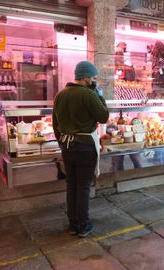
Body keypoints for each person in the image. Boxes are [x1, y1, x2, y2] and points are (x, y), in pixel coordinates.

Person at [52, 61, 109, 237]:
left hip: (67, 146)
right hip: (85, 147)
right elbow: (104, 116)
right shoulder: (89, 95)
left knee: (72, 186)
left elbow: (55, 124)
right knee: (83, 187)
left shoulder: (60, 95)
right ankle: (83, 225)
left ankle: (72, 223)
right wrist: (99, 95)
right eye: (93, 77)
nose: (94, 81)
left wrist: (62, 143)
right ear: (84, 77)